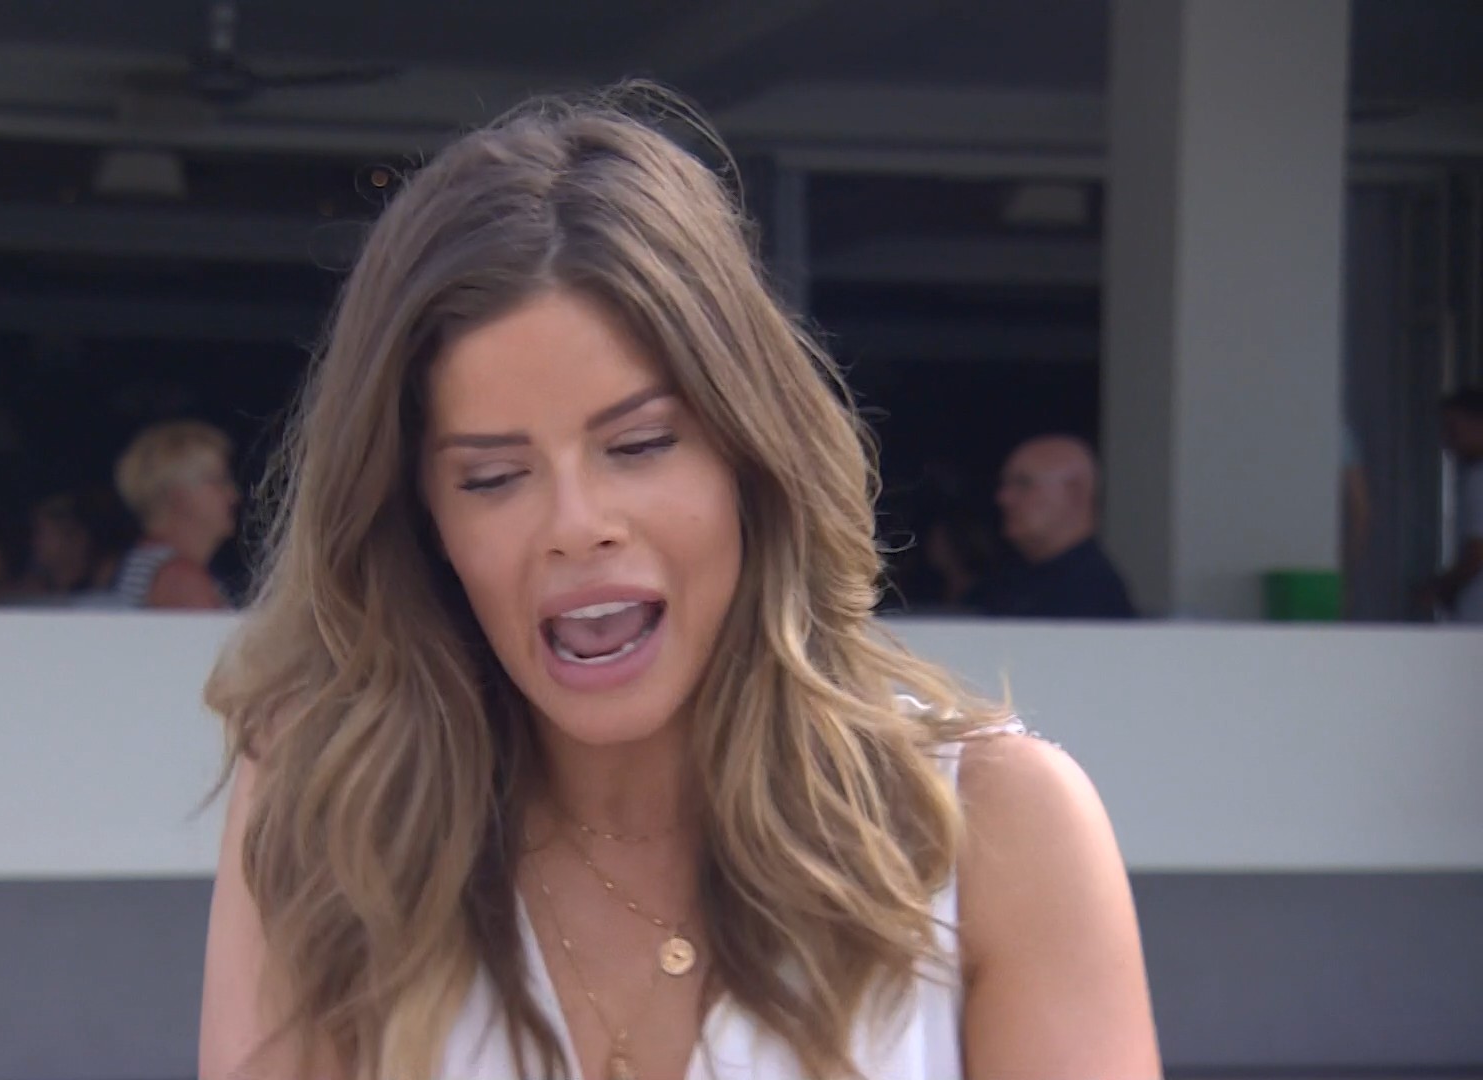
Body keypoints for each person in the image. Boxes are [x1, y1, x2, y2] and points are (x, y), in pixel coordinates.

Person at [198, 86, 1158, 1080]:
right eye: (493, 477)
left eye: (641, 444)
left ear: (750, 453)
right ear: (423, 522)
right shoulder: (333, 812)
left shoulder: (995, 833)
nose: (576, 525)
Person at [973, 435, 1137, 619]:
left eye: (1023, 483)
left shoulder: (1091, 594)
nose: (1004, 499)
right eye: (1005, 485)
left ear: (1074, 491)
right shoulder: (1006, 582)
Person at [111, 420, 240, 610]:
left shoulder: (149, 563)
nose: (233, 495)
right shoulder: (180, 579)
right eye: (218, 481)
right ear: (178, 495)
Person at [1423, 387, 1483, 623]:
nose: (1447, 440)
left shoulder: (1478, 479)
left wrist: (1441, 587)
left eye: (1453, 429)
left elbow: (1477, 552)